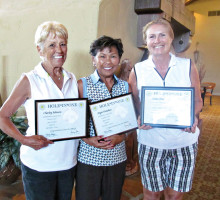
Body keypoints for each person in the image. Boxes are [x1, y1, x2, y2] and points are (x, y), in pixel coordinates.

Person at [0, 21, 79, 200]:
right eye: (52, 45)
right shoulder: (30, 80)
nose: (59, 50)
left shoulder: (72, 78)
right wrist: (24, 140)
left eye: (63, 44)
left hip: (67, 163)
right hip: (39, 165)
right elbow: (2, 116)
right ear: (40, 50)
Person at [129, 19, 203, 200]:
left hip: (183, 142)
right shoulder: (138, 70)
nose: (157, 40)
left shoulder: (187, 66)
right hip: (151, 142)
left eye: (162, 35)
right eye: (152, 36)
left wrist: (191, 117)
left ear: (171, 38)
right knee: (151, 194)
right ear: (146, 41)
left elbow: (197, 100)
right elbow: (134, 103)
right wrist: (139, 118)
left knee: (174, 195)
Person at [76, 36, 129, 200]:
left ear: (119, 59)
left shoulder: (125, 86)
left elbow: (129, 122)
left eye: (113, 56)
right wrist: (88, 139)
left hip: (117, 158)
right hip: (89, 158)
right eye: (102, 56)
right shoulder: (82, 85)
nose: (108, 61)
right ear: (94, 60)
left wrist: (122, 137)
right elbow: (74, 122)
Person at [118, 59, 138, 176]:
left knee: (130, 142)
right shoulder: (119, 81)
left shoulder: (132, 81)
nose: (130, 70)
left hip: (132, 116)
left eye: (131, 68)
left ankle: (130, 160)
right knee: (125, 142)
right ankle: (126, 162)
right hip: (122, 118)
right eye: (128, 68)